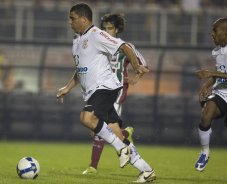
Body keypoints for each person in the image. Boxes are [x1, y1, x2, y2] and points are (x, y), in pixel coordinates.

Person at [56, 3, 155, 183]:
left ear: (83, 19)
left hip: (105, 87)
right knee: (116, 133)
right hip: (95, 91)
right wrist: (67, 88)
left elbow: (124, 46)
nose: (69, 22)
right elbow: (81, 70)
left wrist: (134, 65)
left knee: (86, 118)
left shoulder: (96, 35)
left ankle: (120, 149)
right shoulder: (77, 41)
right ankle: (146, 170)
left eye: (72, 18)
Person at [82, 13, 146, 175]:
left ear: (117, 30)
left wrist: (136, 76)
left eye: (110, 28)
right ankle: (125, 134)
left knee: (98, 127)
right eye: (104, 28)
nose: (106, 31)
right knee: (96, 128)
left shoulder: (125, 46)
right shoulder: (100, 44)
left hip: (117, 91)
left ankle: (93, 166)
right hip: (102, 90)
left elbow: (142, 63)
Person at [195, 17, 227, 183]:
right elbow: (221, 71)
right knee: (206, 115)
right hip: (222, 93)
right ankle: (204, 152)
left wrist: (211, 74)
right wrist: (208, 84)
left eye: (215, 31)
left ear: (225, 32)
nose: (212, 34)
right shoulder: (218, 50)